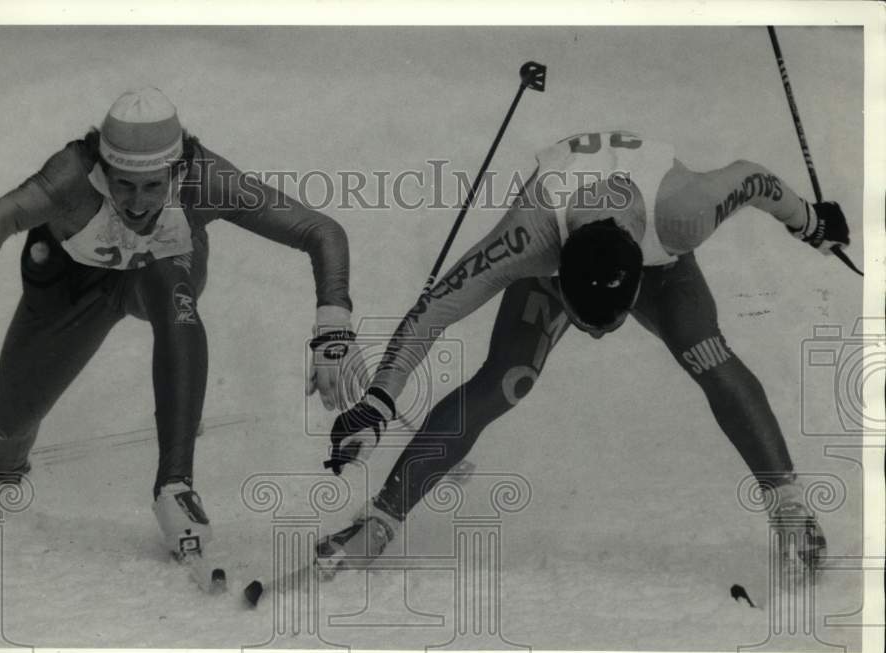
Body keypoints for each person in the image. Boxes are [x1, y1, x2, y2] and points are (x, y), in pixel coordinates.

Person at [319, 130, 849, 576]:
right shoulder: (530, 238)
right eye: (583, 321)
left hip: (649, 223)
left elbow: (754, 178)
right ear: (554, 273)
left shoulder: (686, 212)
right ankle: (381, 521)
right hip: (567, 225)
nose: (595, 337)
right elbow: (436, 309)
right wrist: (378, 402)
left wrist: (809, 221)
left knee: (703, 349)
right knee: (509, 377)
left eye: (608, 324)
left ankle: (789, 504)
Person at [0, 87, 357, 562]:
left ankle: (175, 483)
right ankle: (0, 467)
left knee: (169, 279)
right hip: (73, 290)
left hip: (159, 278)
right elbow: (6, 212)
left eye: (153, 186)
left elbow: (322, 232)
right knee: (7, 421)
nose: (137, 204)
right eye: (123, 184)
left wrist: (332, 323)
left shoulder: (206, 178)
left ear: (178, 171)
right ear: (101, 167)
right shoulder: (71, 173)